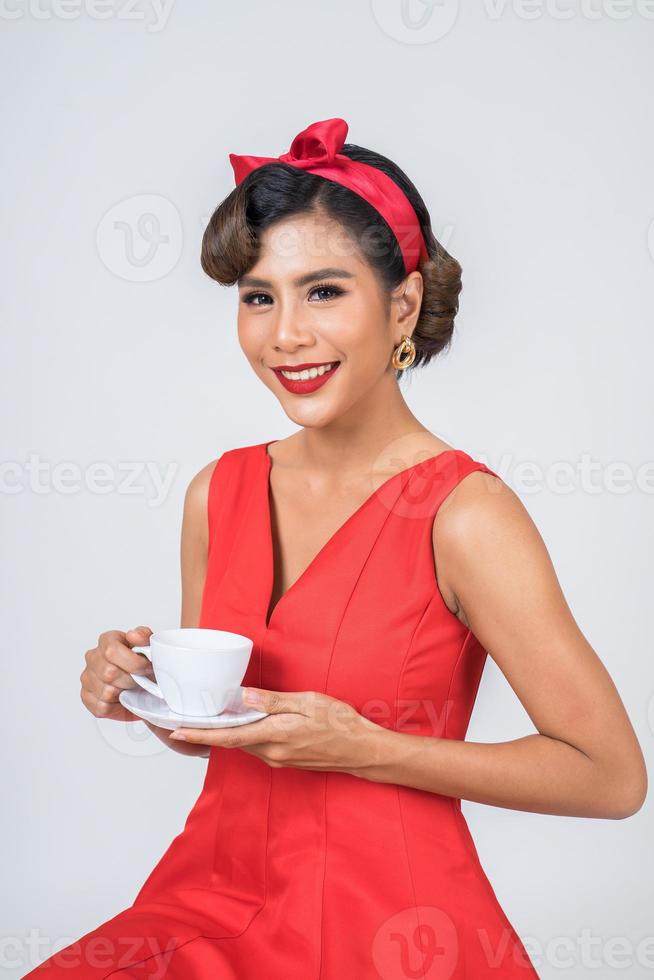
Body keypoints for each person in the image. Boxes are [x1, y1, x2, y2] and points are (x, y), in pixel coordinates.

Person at [27, 117, 647, 979]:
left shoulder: (464, 514)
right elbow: (227, 728)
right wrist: (140, 690)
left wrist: (370, 747)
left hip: (385, 929)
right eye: (258, 296)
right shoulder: (220, 490)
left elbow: (610, 777)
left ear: (402, 303)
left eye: (323, 292)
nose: (284, 334)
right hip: (205, 898)